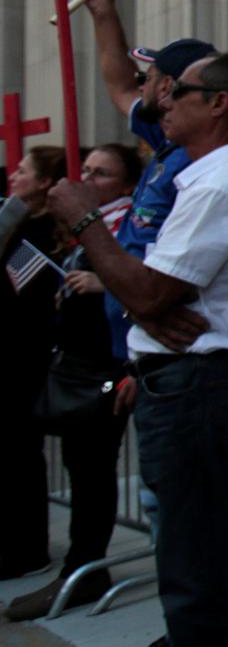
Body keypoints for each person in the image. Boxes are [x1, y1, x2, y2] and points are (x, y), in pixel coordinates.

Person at [48, 52, 228, 647]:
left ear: (219, 105)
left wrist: (86, 221)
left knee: (194, 569)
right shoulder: (198, 178)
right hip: (180, 382)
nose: (159, 103)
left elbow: (150, 289)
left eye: (178, 92)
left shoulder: (220, 186)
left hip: (195, 388)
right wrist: (147, 302)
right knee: (187, 559)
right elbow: (152, 289)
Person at [78, 0, 217, 647]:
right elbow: (115, 84)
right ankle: (178, 641)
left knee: (183, 525)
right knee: (168, 521)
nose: (148, 93)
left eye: (162, 82)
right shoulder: (165, 145)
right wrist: (105, 13)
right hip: (140, 352)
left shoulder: (203, 167)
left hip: (170, 363)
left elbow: (172, 286)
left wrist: (139, 345)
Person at [5, 144, 143, 621]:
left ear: (127, 186)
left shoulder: (130, 224)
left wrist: (105, 282)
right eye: (85, 170)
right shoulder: (82, 227)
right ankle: (79, 567)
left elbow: (152, 282)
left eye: (102, 174)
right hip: (77, 364)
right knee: (80, 467)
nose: (88, 179)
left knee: (93, 472)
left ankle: (86, 567)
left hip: (111, 367)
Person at [1, 146, 69, 581]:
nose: (13, 176)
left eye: (23, 171)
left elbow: (35, 295)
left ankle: (26, 549)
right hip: (9, 352)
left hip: (26, 355)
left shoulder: (49, 232)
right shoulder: (17, 222)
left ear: (46, 182)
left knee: (19, 453)